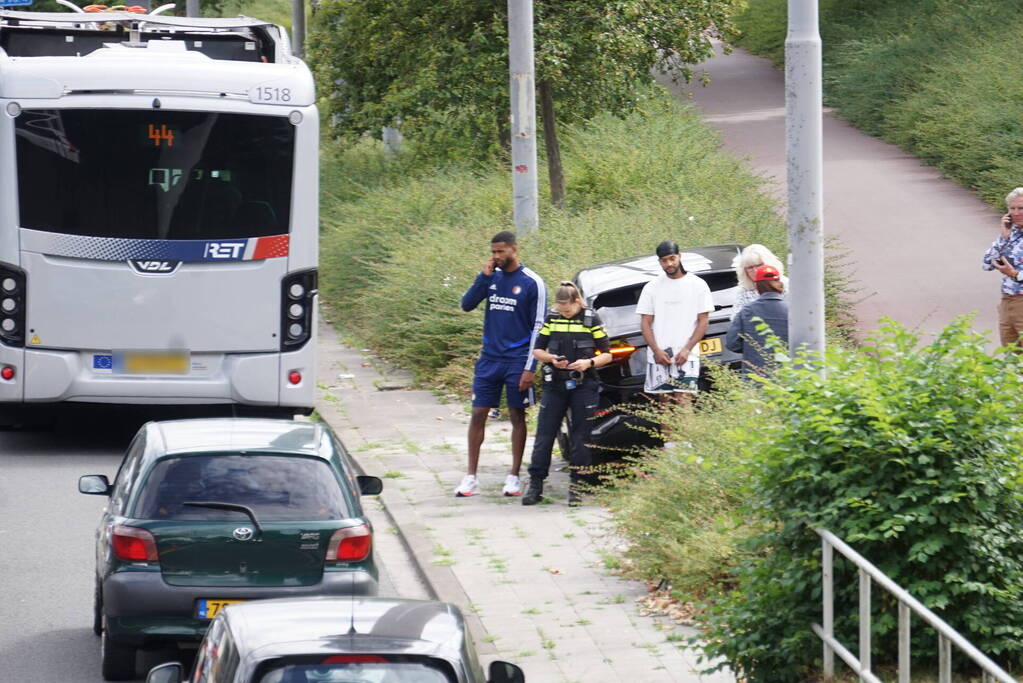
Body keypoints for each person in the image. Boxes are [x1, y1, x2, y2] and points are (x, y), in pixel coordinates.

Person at [457, 231, 547, 497]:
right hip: (489, 359)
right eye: (493, 252)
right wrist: (483, 277)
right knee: (478, 414)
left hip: (518, 360)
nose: (496, 257)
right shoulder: (491, 278)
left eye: (501, 252)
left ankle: (514, 476)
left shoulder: (532, 282)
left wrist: (531, 367)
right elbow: (466, 304)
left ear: (514, 250)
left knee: (517, 416)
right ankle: (471, 476)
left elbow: (540, 327)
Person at [522, 281, 613, 507]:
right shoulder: (552, 318)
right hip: (555, 384)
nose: (564, 314)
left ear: (577, 302)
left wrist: (588, 362)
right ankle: (535, 484)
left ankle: (578, 487)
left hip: (584, 385)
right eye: (561, 311)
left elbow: (607, 354)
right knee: (545, 434)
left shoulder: (591, 319)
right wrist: (552, 359)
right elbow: (537, 350)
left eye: (568, 311)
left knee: (581, 437)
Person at [636, 240, 715, 399]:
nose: (669, 263)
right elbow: (645, 323)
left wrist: (687, 349)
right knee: (665, 409)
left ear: (679, 256)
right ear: (659, 262)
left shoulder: (698, 284)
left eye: (672, 258)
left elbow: (703, 321)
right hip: (659, 357)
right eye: (664, 261)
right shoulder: (652, 287)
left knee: (684, 403)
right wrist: (657, 351)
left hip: (687, 355)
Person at [724, 264, 790, 376]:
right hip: (787, 377)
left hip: (755, 378)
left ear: (756, 286)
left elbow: (732, 343)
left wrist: (751, 349)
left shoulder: (747, 311)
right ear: (780, 283)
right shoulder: (792, 310)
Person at [982, 187, 1023, 347]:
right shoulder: (1011, 234)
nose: (1016, 213)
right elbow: (986, 264)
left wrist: (1014, 274)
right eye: (1012, 209)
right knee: (1011, 357)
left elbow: (1012, 272)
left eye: (1021, 208)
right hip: (1008, 301)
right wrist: (1003, 237)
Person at [732, 243, 788, 312]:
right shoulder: (743, 291)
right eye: (750, 268)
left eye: (759, 265)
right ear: (744, 271)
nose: (755, 270)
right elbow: (736, 318)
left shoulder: (785, 284)